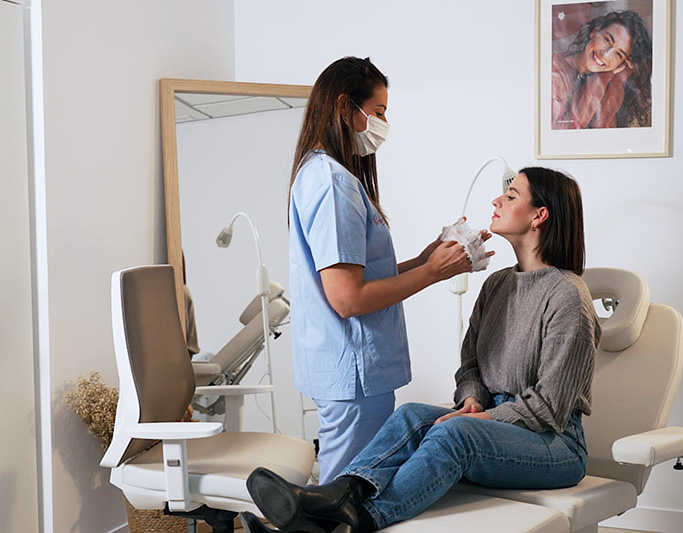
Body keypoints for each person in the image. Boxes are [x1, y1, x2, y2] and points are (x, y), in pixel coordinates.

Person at [242, 166, 602, 533]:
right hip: (494, 422)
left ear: (540, 216)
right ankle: (334, 497)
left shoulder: (568, 296)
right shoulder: (497, 284)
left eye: (511, 196)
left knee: (456, 435)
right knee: (412, 414)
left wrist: (483, 420)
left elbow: (550, 407)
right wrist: (473, 401)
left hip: (554, 444)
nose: (496, 200)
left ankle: (351, 523)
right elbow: (471, 364)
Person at [287, 56, 491, 484]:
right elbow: (347, 298)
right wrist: (433, 273)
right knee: (346, 495)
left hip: (353, 368)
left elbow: (359, 275)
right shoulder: (332, 182)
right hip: (354, 370)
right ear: (346, 107)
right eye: (377, 112)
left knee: (355, 490)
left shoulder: (330, 175)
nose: (383, 124)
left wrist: (426, 258)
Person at [552, 10, 652, 129]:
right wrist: (603, 78)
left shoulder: (612, 84)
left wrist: (617, 77)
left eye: (619, 55)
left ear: (623, 63)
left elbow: (604, 133)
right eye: (607, 40)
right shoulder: (554, 71)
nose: (605, 55)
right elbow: (563, 133)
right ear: (595, 31)